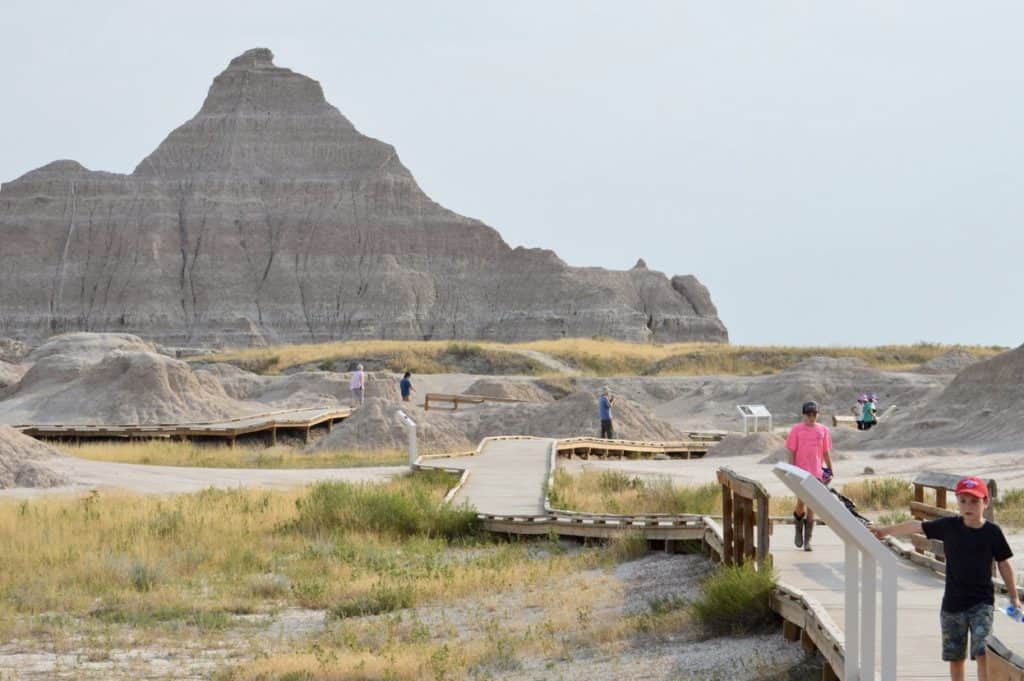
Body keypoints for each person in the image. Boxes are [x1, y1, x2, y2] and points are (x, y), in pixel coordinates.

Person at [872, 477, 1020, 681]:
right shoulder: (949, 526)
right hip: (952, 604)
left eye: (975, 501)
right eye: (963, 501)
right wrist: (885, 531)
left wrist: (1014, 597)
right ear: (957, 502)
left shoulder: (992, 532)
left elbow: (1004, 563)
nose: (968, 506)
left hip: (982, 604)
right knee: (955, 658)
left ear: (986, 502)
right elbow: (917, 526)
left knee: (983, 652)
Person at [785, 401, 834, 551]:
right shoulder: (796, 430)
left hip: (816, 472)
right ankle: (798, 530)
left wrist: (830, 469)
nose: (812, 417)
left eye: (814, 414)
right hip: (800, 472)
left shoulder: (823, 430)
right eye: (809, 414)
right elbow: (791, 452)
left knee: (812, 505)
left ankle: (808, 541)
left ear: (817, 414)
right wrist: (791, 470)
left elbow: (826, 452)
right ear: (804, 414)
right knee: (801, 504)